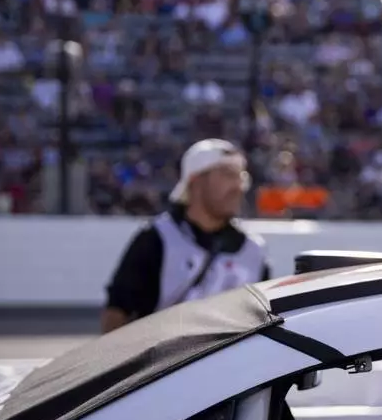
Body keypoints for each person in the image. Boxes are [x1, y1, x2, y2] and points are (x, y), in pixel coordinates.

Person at [102, 139, 270, 333]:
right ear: (195, 181)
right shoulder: (157, 239)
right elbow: (117, 311)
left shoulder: (254, 251)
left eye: (240, 176)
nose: (238, 186)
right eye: (226, 175)